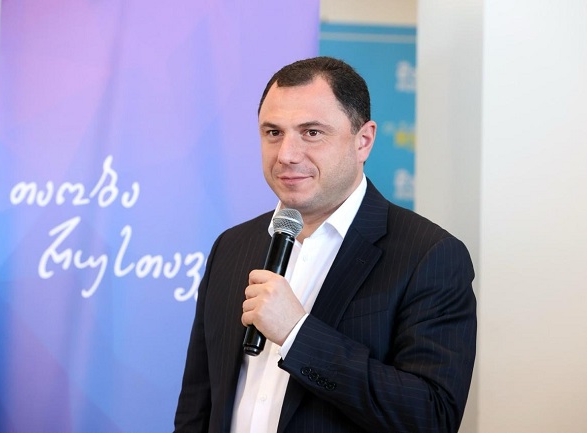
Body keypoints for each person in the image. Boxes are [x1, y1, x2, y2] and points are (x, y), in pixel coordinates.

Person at [174, 56, 476, 433]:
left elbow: (432, 417)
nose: (286, 154)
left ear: (363, 141)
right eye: (273, 132)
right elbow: (198, 404)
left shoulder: (429, 256)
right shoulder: (231, 246)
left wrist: (297, 333)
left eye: (312, 132)